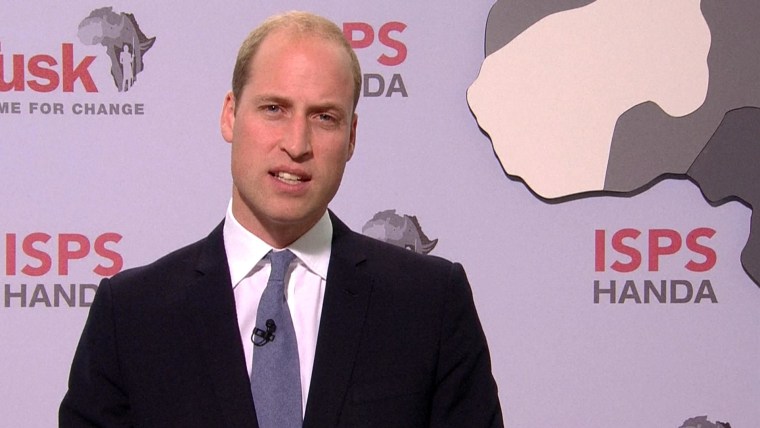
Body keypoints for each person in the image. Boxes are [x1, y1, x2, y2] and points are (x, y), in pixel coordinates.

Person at [60, 10, 503, 427]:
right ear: (230, 115)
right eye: (274, 108)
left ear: (351, 137)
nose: (296, 144)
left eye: (324, 117)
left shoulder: (429, 304)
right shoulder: (131, 315)